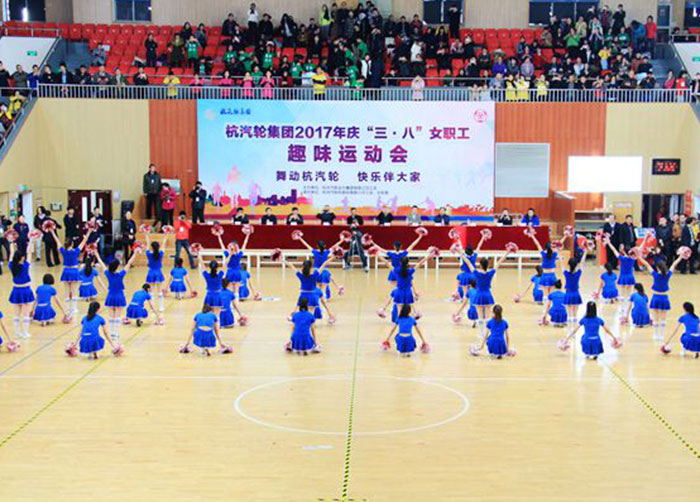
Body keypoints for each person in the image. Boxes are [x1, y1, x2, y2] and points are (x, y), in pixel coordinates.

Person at [460, 247, 514, 339]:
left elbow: (468, 263)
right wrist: (507, 252)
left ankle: (481, 334)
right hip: (488, 295)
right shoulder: (490, 273)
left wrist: (459, 252)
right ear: (487, 265)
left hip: (479, 295)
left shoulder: (477, 273)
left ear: (480, 265)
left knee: (480, 317)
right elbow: (499, 263)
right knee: (488, 317)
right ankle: (487, 333)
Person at [93, 248, 140, 341]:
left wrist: (96, 253)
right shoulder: (120, 274)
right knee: (117, 317)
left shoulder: (108, 274)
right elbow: (129, 263)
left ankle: (111, 334)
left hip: (111, 296)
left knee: (111, 317)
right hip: (119, 296)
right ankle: (116, 333)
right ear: (117, 267)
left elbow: (102, 264)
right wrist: (135, 253)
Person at [638, 252, 686, 341]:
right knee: (663, 319)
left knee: (656, 318)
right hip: (664, 298)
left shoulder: (655, 275)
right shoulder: (667, 275)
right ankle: (662, 335)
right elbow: (674, 264)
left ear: (657, 268)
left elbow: (647, 264)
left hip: (656, 297)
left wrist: (639, 256)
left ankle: (656, 335)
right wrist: (680, 257)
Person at [49, 226, 91, 317]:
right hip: (74, 271)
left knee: (67, 291)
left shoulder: (63, 251)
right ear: (72, 244)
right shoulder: (76, 251)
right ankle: (74, 308)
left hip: (66, 271)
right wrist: (89, 231)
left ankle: (68, 309)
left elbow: (57, 241)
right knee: (74, 291)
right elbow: (84, 241)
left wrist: (52, 232)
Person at [527, 231, 567, 323]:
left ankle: (543, 317)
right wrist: (565, 236)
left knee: (546, 297)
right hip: (552, 276)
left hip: (544, 276)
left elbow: (537, 244)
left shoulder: (544, 254)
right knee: (551, 296)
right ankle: (547, 316)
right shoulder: (555, 254)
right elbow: (559, 244)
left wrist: (532, 236)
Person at [295, 233, 345, 299]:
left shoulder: (315, 252)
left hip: (317, 271)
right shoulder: (327, 252)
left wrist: (300, 238)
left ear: (317, 246)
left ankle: (318, 296)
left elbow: (306, 245)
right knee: (330, 278)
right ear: (324, 246)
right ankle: (337, 288)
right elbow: (335, 245)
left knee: (317, 285)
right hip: (325, 271)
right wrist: (342, 240)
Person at [8, 241, 35, 338]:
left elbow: (11, 253)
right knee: (25, 314)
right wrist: (31, 242)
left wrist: (11, 243)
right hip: (25, 290)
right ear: (22, 258)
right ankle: (25, 333)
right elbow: (29, 253)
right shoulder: (25, 266)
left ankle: (16, 333)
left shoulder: (11, 266)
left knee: (16, 314)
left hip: (16, 290)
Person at [216, 231, 251, 297]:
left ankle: (230, 302)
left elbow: (222, 245)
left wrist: (219, 236)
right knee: (236, 291)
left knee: (230, 290)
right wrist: (247, 235)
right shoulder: (238, 255)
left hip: (230, 272)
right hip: (237, 272)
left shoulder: (227, 254)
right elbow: (244, 244)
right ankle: (236, 302)